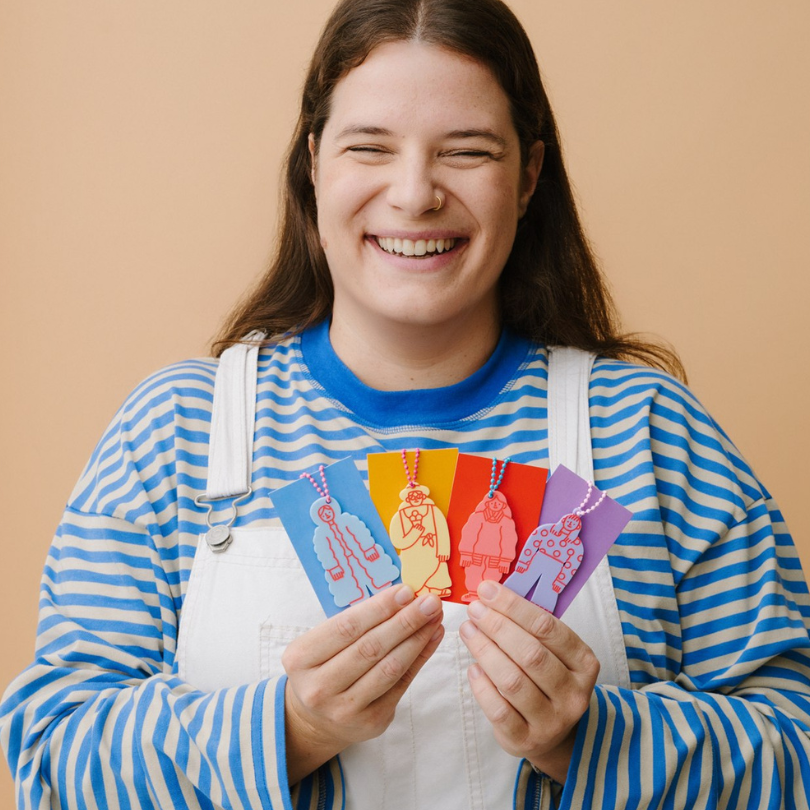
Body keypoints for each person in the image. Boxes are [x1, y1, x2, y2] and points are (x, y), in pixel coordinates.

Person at [2, 0, 809, 808]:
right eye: (370, 147)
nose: (416, 194)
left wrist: (592, 739)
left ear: (528, 176)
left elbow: (796, 751)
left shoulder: (650, 433)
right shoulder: (176, 430)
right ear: (314, 162)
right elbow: (52, 751)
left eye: (467, 151)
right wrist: (291, 729)